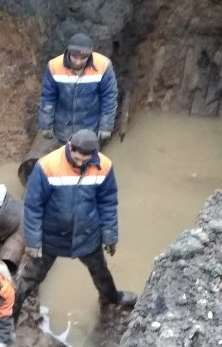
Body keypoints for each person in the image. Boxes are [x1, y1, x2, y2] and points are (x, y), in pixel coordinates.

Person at [15, 129, 137, 319]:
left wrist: (110, 234)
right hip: (51, 237)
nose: (79, 163)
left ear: (94, 153)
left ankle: (111, 298)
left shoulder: (103, 166)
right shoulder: (47, 166)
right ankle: (11, 310)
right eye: (76, 157)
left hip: (87, 235)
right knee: (30, 276)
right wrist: (33, 241)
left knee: (100, 271)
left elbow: (108, 202)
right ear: (70, 146)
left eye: (84, 159)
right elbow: (33, 207)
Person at [38, 33, 118, 143]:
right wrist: (46, 124)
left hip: (90, 126)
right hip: (63, 126)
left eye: (83, 58)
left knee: (87, 156)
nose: (78, 62)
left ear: (90, 55)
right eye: (75, 57)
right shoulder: (54, 66)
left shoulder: (103, 65)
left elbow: (109, 97)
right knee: (65, 156)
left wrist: (106, 127)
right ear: (68, 52)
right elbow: (48, 97)